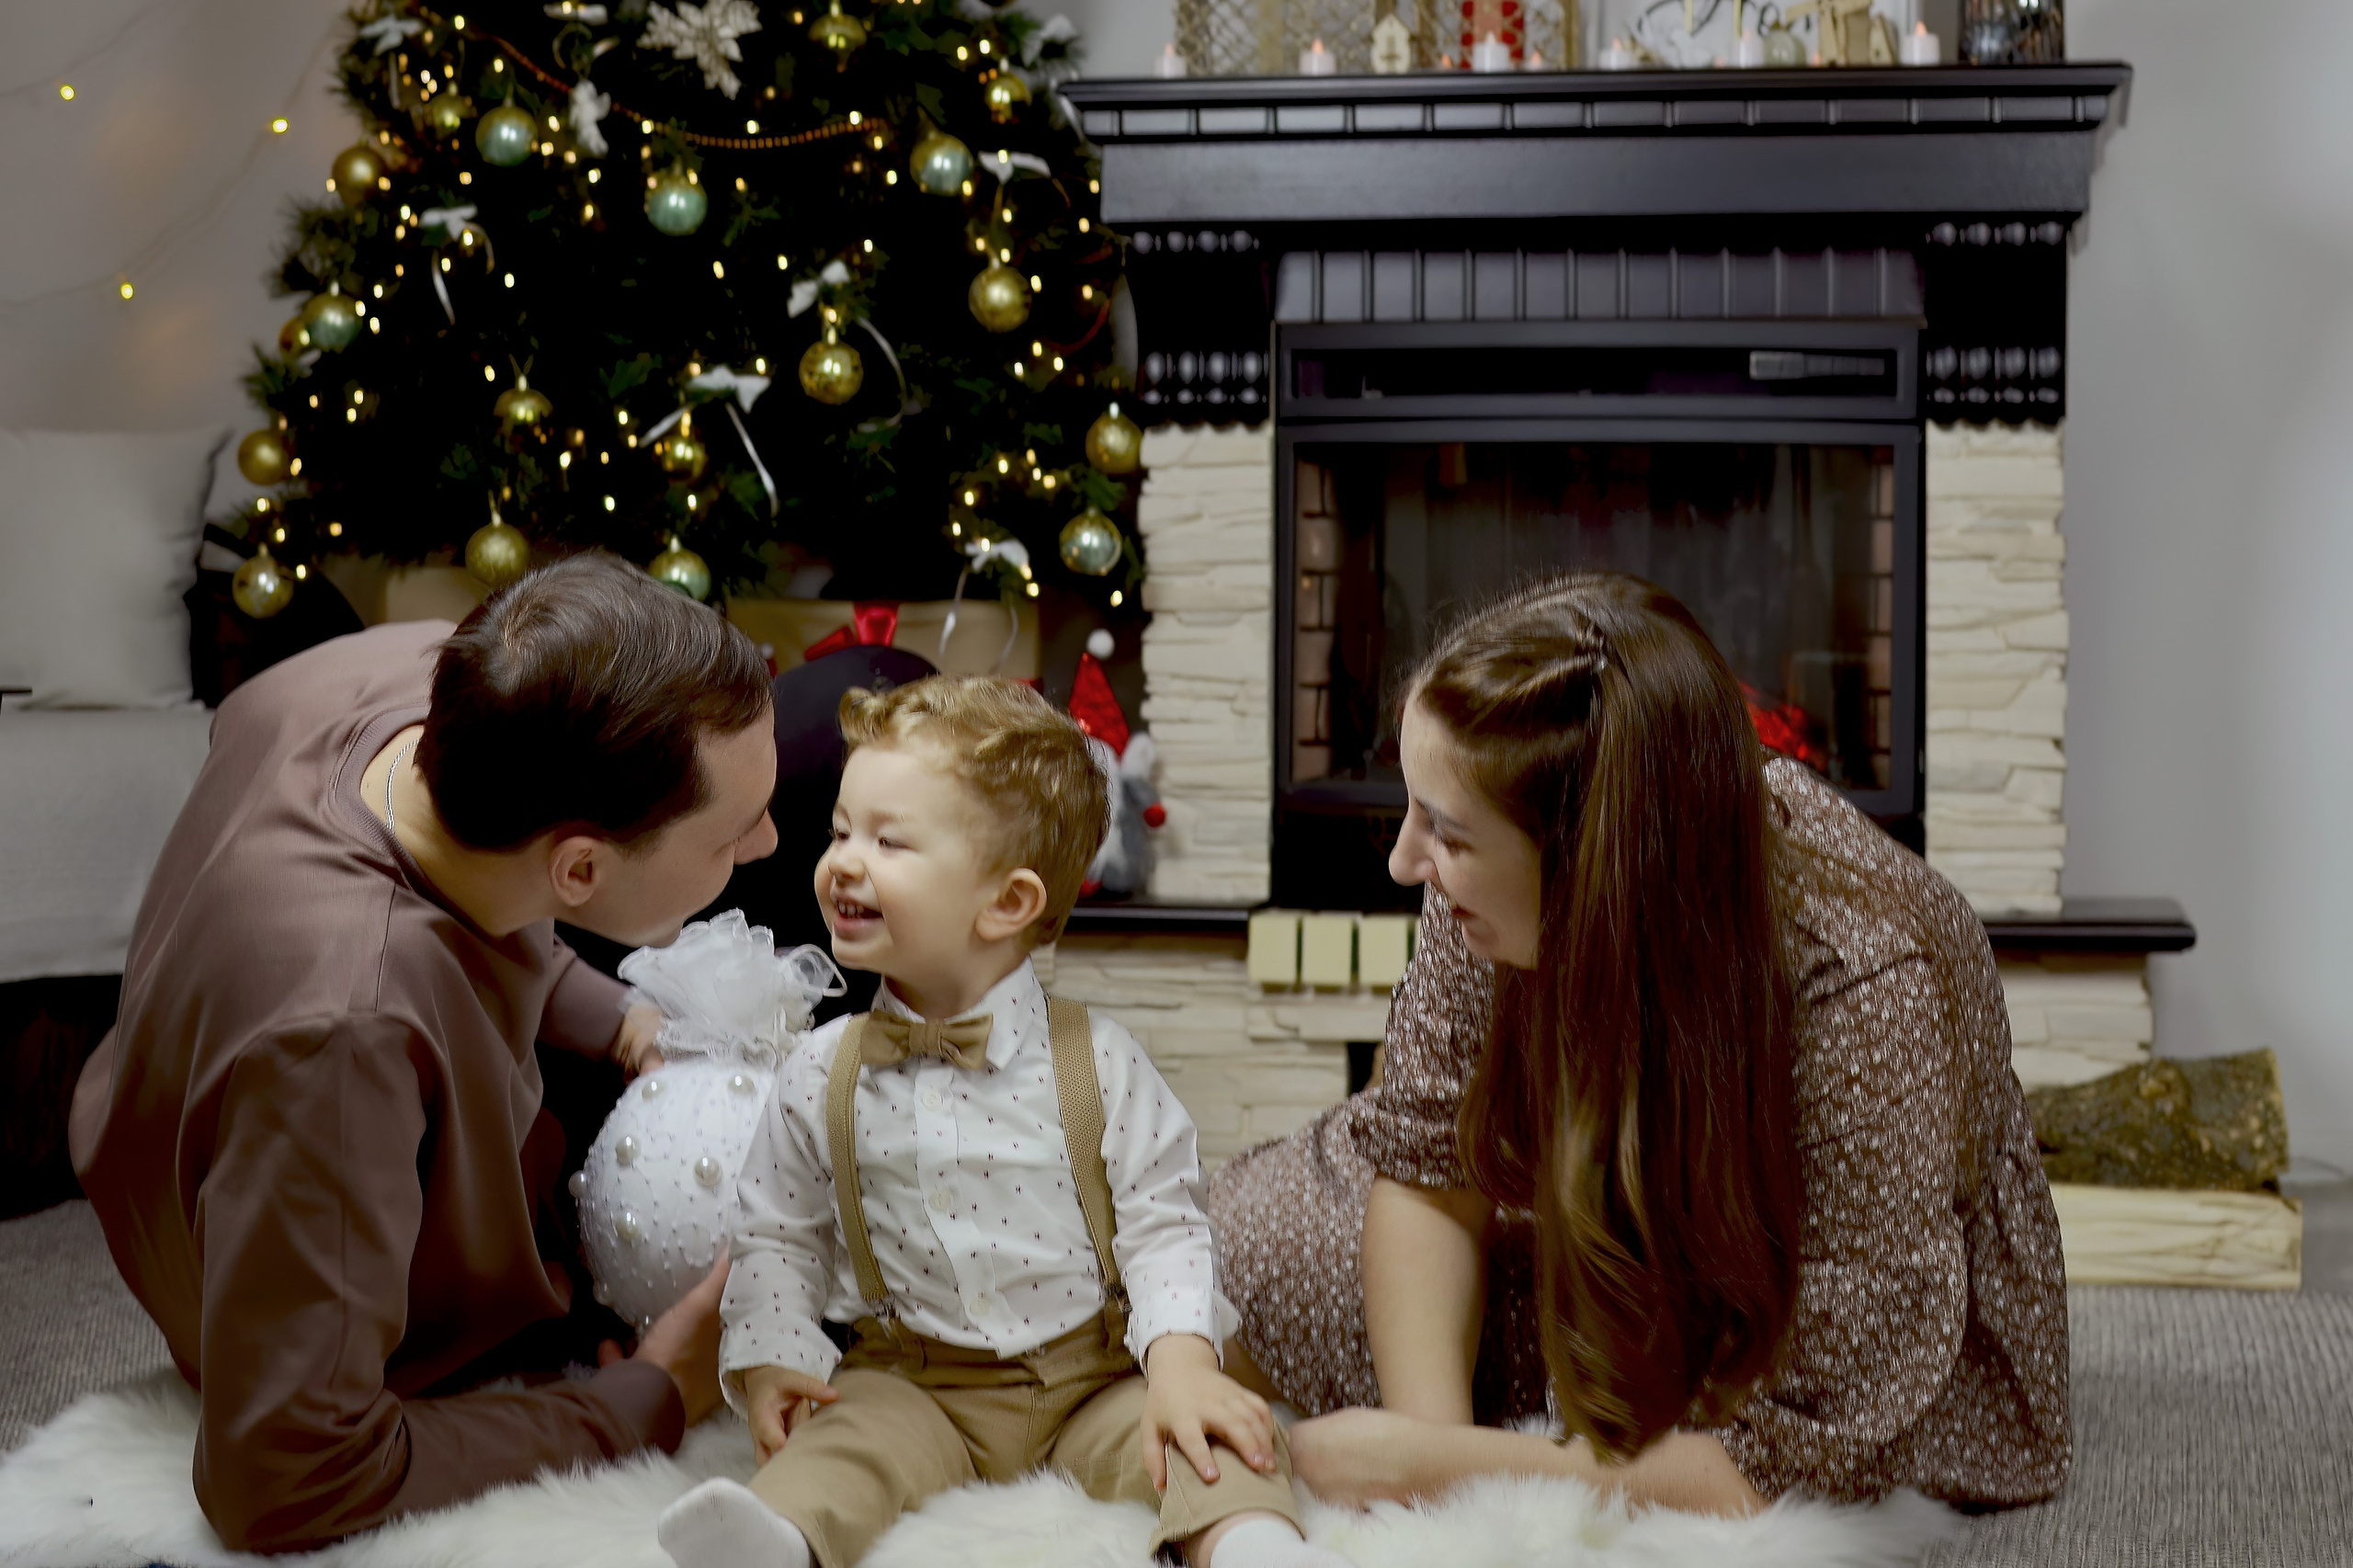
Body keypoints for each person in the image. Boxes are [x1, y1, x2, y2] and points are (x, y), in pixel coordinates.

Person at [1208, 573, 2071, 1517]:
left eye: (1445, 834)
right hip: (1595, 1196)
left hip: (1794, 1278)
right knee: (1241, 1238)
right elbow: (1424, 1161)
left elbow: (1795, 1461)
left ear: (1587, 868)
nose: (1405, 860)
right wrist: (1434, 1458)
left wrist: (1436, 1468)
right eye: (1415, 811)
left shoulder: (1862, 979)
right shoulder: (1490, 862)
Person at [67, 554, 779, 1552]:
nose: (767, 839)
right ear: (577, 866)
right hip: (283, 1245)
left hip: (240, 1101)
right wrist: (646, 1395)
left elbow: (496, 894)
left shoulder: (406, 673)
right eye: (734, 832)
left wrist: (612, 1015)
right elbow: (282, 1474)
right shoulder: (345, 1038)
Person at [657, 677, 1339, 1568]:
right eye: (840, 830)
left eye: (889, 840)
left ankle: (1249, 1541)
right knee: (844, 1444)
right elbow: (779, 1233)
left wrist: (1180, 1366)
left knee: (1199, 1441)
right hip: (913, 1380)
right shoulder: (820, 1071)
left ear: (1007, 902)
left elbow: (1164, 1225)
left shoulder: (1099, 1062)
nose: (844, 862)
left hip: (1093, 1377)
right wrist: (776, 1355)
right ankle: (777, 1538)